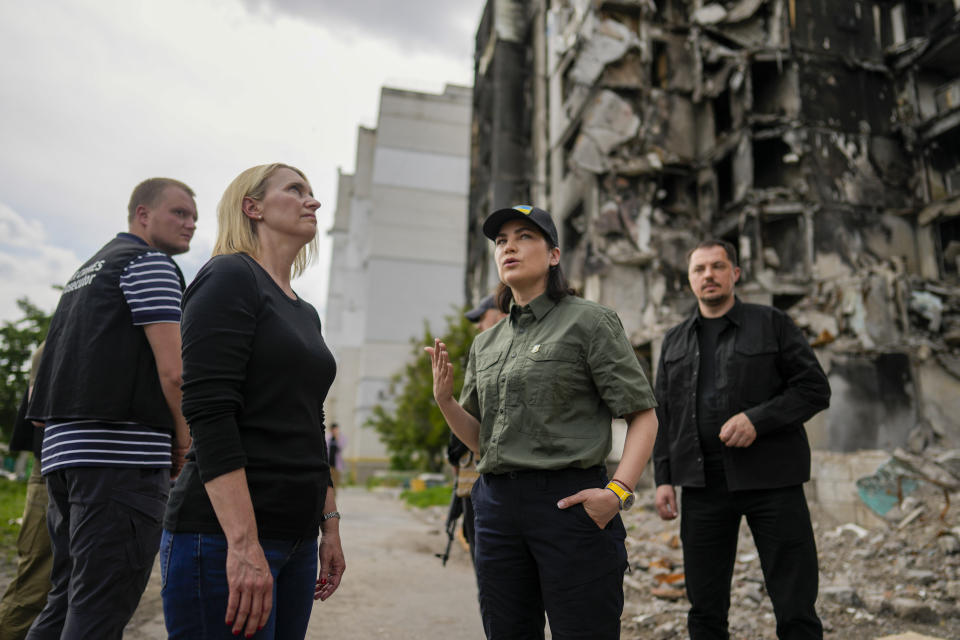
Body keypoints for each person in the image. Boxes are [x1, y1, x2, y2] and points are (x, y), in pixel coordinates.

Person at [427, 205, 659, 639]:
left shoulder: (590, 321)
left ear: (554, 255)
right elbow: (482, 441)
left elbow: (643, 415)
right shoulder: (487, 343)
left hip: (568, 505)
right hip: (495, 508)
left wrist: (618, 492)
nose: (509, 246)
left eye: (524, 236)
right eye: (501, 241)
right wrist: (444, 401)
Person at [161, 163, 344, 640]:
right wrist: (243, 545)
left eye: (312, 191)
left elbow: (311, 421)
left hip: (298, 538)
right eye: (296, 190)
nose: (314, 201)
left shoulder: (306, 312)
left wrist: (329, 525)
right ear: (253, 207)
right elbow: (209, 410)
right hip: (222, 537)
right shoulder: (228, 276)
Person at [24, 178, 198, 640]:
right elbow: (175, 371)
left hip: (65, 458)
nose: (191, 224)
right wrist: (185, 440)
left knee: (66, 600)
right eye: (179, 213)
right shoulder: (150, 264)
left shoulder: (87, 271)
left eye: (194, 217)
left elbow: (42, 389)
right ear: (142, 214)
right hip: (119, 461)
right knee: (99, 610)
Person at [652, 239, 831, 640]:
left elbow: (814, 389)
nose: (708, 275)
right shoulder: (674, 341)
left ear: (734, 274)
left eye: (718, 267)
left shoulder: (772, 323)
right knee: (704, 608)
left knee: (795, 604)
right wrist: (663, 477)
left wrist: (758, 420)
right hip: (701, 486)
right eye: (699, 269)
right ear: (689, 280)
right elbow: (663, 414)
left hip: (772, 481)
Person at [446, 294, 506, 567]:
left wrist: (454, 453)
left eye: (482, 318)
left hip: (484, 472)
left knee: (486, 557)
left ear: (499, 313)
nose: (479, 326)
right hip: (480, 469)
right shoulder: (485, 349)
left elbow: (471, 411)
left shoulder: (494, 351)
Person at [0, 344, 50, 640]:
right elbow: (39, 409)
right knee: (33, 587)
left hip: (56, 469)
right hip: (50, 471)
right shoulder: (52, 342)